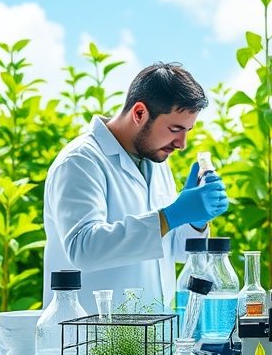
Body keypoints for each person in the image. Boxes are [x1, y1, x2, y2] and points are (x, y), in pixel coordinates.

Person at [43, 62, 229, 313]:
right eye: (175, 129)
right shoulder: (80, 161)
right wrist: (170, 215)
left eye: (187, 131)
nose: (182, 143)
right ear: (139, 113)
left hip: (152, 336)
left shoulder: (156, 161)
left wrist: (195, 221)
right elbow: (83, 249)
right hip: (90, 338)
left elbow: (175, 252)